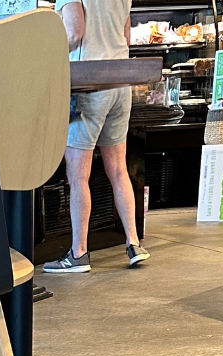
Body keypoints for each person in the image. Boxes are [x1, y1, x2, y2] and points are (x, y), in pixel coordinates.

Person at [43, 0, 149, 273]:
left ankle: (78, 254)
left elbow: (75, 33)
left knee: (79, 176)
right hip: (120, 83)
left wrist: (44, 50)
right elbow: (126, 37)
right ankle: (134, 243)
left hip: (88, 84)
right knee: (118, 170)